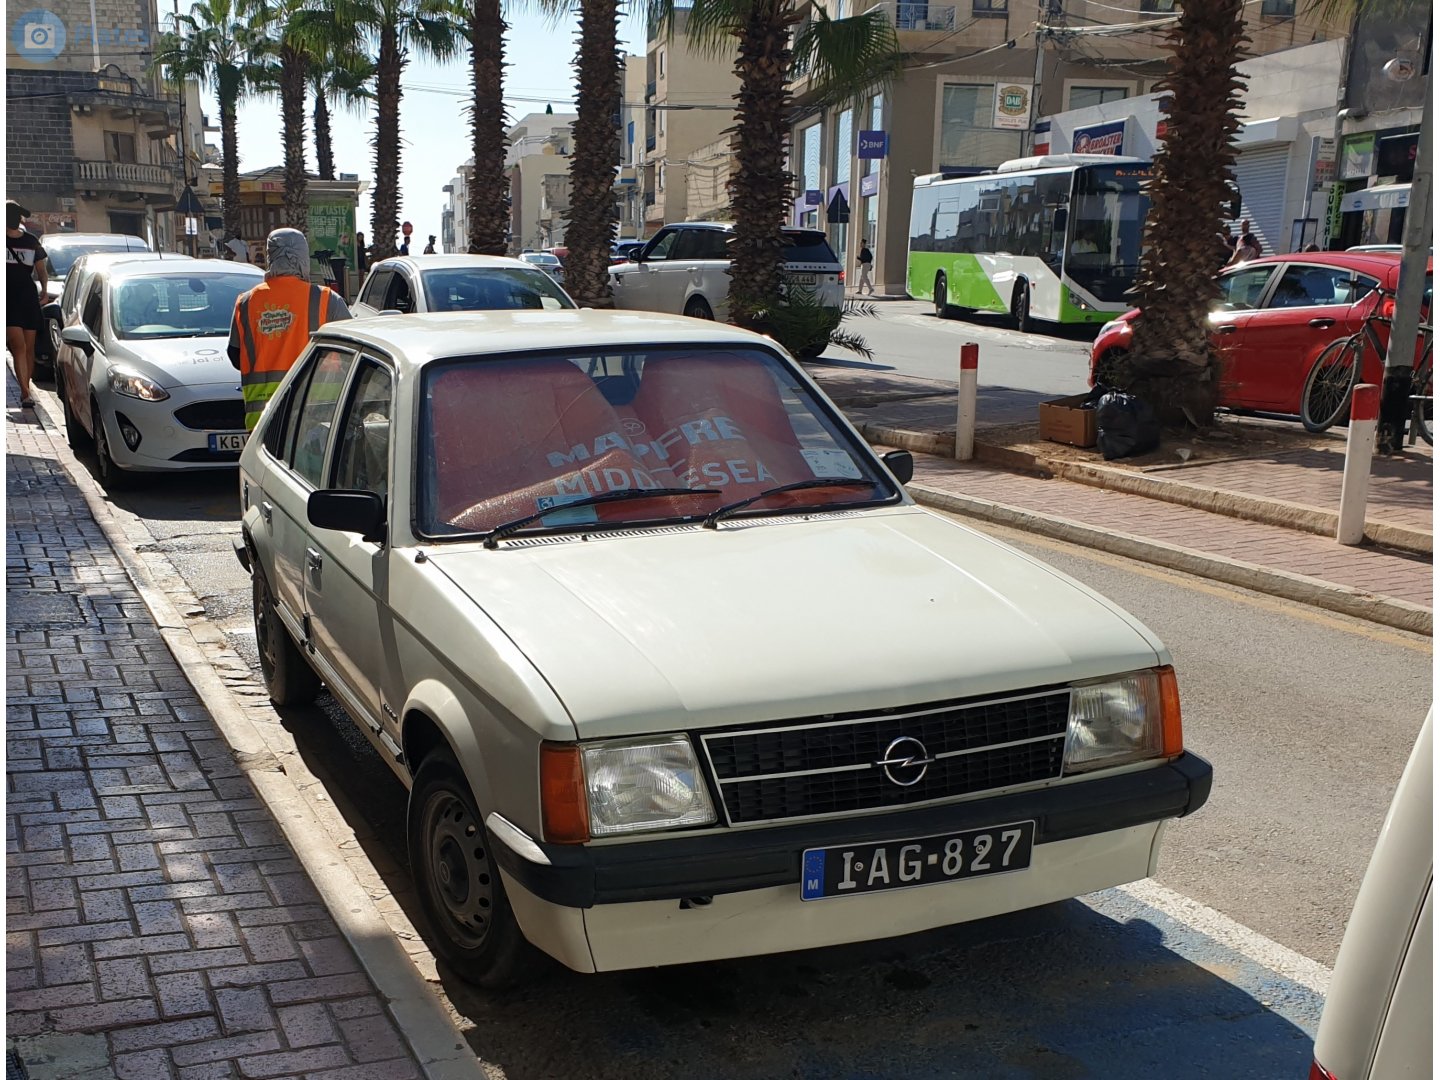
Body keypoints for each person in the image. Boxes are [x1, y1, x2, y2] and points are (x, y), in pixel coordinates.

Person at [229, 228, 352, 431]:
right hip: (319, 418)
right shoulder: (326, 300)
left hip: (263, 422)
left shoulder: (246, 303)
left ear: (271, 256)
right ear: (303, 257)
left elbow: (235, 356)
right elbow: (352, 353)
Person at [6, 200, 48, 408]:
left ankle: (27, 385)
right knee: (18, 346)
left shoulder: (31, 241)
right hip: (7, 299)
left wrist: (45, 290)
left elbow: (41, 269)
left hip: (28, 297)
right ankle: (24, 392)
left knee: (29, 347)